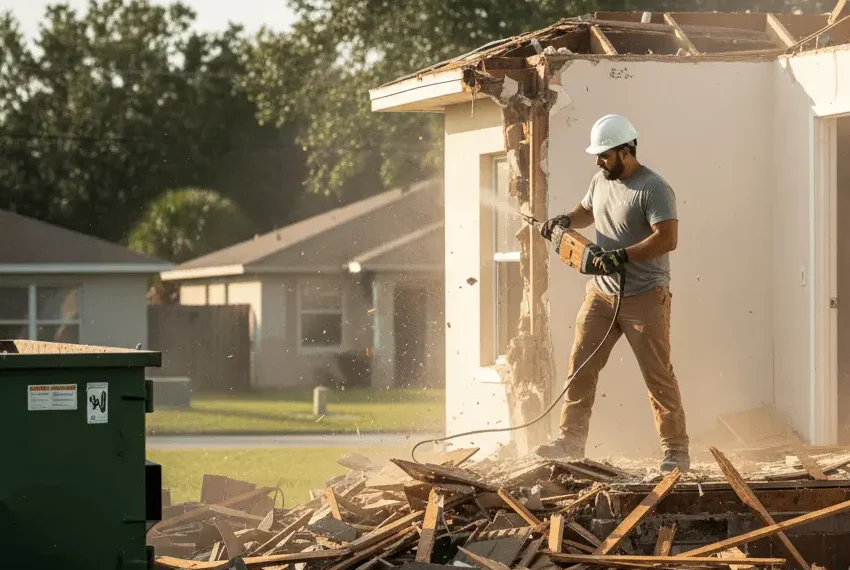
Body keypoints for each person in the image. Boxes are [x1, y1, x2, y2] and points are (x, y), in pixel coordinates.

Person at [533, 114, 690, 473]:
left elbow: (668, 239)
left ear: (626, 150)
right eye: (598, 155)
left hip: (645, 296)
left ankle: (676, 452)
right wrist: (564, 221)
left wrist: (623, 254)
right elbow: (586, 210)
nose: (598, 161)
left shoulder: (654, 189)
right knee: (580, 368)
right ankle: (570, 442)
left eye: (605, 155)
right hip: (601, 296)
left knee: (657, 375)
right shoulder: (600, 180)